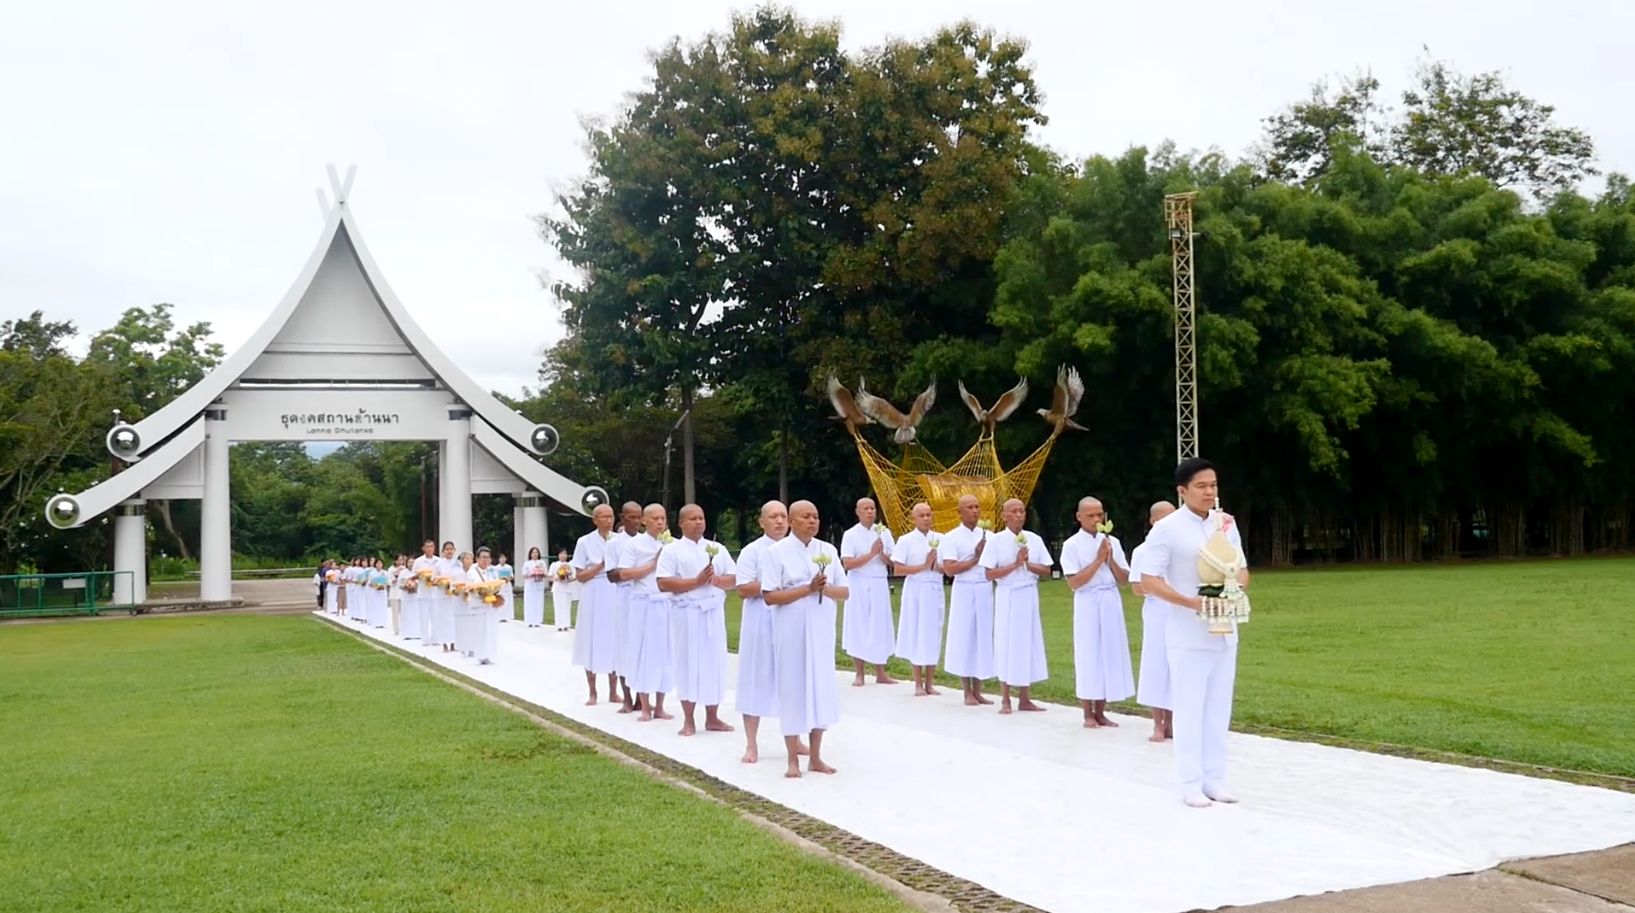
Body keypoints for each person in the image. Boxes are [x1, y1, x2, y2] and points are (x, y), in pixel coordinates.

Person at [1135, 458, 1250, 808]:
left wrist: (1233, 592)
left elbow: (1242, 569)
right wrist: (1189, 602)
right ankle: (1189, 783)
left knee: (1218, 708)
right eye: (1201, 486)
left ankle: (1215, 779)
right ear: (1182, 491)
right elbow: (1148, 580)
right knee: (1188, 708)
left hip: (1224, 629)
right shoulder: (1167, 529)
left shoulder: (1225, 525)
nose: (1209, 492)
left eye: (1213, 485)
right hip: (1187, 633)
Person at [761, 500, 848, 778]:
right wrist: (807, 589)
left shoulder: (828, 550)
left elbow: (844, 592)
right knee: (794, 688)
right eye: (806, 517)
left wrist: (825, 588)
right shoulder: (777, 553)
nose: (812, 521)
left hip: (821, 629)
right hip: (791, 630)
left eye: (816, 516)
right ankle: (792, 759)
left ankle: (815, 756)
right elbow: (770, 596)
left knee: (820, 689)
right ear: (791, 521)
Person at [735, 500, 807, 764]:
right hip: (759, 623)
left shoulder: (799, 549)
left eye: (783, 516)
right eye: (773, 517)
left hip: (790, 621)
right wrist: (774, 588)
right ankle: (752, 744)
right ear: (761, 522)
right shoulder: (752, 551)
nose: (779, 521)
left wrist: (785, 591)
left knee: (793, 679)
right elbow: (742, 588)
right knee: (755, 678)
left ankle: (796, 739)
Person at [657, 504, 737, 737]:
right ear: (681, 523)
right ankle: (689, 719)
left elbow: (734, 579)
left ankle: (712, 717)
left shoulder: (716, 548)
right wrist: (696, 581)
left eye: (701, 518)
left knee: (714, 663)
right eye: (692, 518)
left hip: (712, 613)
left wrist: (716, 581)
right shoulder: (672, 550)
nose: (698, 522)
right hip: (687, 614)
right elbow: (663, 583)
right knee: (688, 662)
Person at [1060, 496, 1134, 729]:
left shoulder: (1113, 542)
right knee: (1088, 653)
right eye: (1090, 515)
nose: (1096, 519)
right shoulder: (1071, 545)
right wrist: (1098, 559)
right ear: (1079, 517)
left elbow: (1124, 579)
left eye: (1099, 514)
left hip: (1110, 599)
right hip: (1087, 601)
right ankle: (1087, 713)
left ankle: (1102, 711)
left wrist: (1110, 559)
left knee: (1108, 653)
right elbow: (1074, 583)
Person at [982, 498, 1053, 713]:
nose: (1019, 515)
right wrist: (1015, 563)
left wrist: (1027, 563)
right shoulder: (995, 541)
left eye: (1022, 511)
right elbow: (989, 573)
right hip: (1007, 594)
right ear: (1004, 516)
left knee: (1027, 643)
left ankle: (1025, 697)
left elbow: (1047, 570)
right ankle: (1005, 699)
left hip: (1028, 594)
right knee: (1006, 642)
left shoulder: (1034, 539)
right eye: (1013, 511)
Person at [617, 504, 673, 722]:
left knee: (664, 654)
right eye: (655, 518)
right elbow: (624, 573)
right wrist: (652, 565)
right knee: (642, 652)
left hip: (664, 603)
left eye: (663, 518)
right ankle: (645, 707)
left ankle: (660, 706)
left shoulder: (671, 544)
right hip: (643, 604)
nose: (660, 522)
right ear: (644, 521)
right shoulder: (634, 545)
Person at [939, 494, 995, 706]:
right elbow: (950, 569)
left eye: (977, 507)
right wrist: (975, 558)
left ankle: (979, 690)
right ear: (959, 512)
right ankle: (966, 691)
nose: (975, 511)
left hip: (984, 587)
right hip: (964, 588)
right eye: (970, 507)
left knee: (982, 636)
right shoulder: (951, 538)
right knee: (964, 637)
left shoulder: (989, 535)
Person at [1131, 500, 1178, 742]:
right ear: (1152, 522)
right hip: (1157, 612)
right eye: (1163, 519)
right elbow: (1138, 588)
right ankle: (1157, 724)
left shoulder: (1181, 549)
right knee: (1156, 665)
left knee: (1176, 665)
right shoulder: (1142, 551)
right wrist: (1163, 590)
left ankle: (1172, 722)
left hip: (1179, 611)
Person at [839, 497, 897, 686]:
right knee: (859, 625)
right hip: (858, 582)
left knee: (879, 625)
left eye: (872, 508)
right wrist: (871, 553)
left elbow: (893, 562)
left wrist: (881, 554)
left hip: (879, 582)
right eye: (866, 508)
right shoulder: (850, 534)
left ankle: (881, 672)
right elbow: (847, 563)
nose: (870, 511)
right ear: (858, 512)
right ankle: (860, 673)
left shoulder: (884, 533)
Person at [890, 502, 945, 697]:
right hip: (915, 590)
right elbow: (898, 569)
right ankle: (918, 684)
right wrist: (923, 566)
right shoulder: (906, 540)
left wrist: (935, 565)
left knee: (933, 632)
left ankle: (930, 682)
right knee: (916, 631)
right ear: (914, 518)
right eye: (922, 515)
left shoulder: (940, 539)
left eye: (929, 514)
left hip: (935, 588)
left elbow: (946, 568)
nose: (926, 518)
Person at [570, 505, 620, 703]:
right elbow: (580, 575)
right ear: (595, 520)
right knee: (591, 639)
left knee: (614, 639)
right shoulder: (584, 542)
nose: (609, 520)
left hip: (614, 590)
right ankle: (592, 691)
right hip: (593, 591)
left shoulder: (619, 540)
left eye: (611, 516)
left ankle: (614, 690)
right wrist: (601, 564)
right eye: (604, 517)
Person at [608, 501, 643, 713]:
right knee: (623, 646)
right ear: (623, 517)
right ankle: (627, 698)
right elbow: (612, 575)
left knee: (641, 646)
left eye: (640, 517)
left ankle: (642, 697)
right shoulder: (614, 544)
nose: (637, 521)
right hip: (624, 596)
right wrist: (630, 573)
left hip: (644, 597)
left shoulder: (648, 542)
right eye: (632, 517)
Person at [469, 548, 499, 664]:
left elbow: (497, 585)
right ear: (477, 558)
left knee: (489, 630)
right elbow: (472, 587)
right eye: (482, 557)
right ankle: (479, 655)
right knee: (479, 630)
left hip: (489, 605)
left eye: (487, 557)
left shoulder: (492, 571)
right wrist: (483, 592)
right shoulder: (472, 572)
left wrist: (495, 592)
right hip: (478, 604)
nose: (485, 560)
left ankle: (487, 654)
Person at [434, 541, 461, 654]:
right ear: (443, 551)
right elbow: (434, 579)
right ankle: (444, 643)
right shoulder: (439, 564)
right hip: (443, 595)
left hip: (454, 596)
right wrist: (441, 582)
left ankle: (454, 643)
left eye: (451, 549)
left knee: (454, 619)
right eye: (447, 549)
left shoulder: (458, 563)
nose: (449, 551)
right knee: (444, 619)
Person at [411, 540, 439, 649]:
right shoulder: (418, 562)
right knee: (423, 617)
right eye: (427, 547)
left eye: (431, 546)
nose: (430, 549)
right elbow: (414, 575)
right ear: (423, 548)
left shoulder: (438, 561)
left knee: (435, 616)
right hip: (423, 592)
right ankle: (424, 638)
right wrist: (421, 576)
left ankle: (435, 638)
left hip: (435, 592)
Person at [547, 549, 576, 630]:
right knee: (558, 606)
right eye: (561, 554)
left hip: (567, 588)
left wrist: (568, 578)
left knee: (567, 606)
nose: (563, 555)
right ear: (558, 555)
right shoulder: (554, 565)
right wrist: (557, 578)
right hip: (558, 588)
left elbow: (574, 576)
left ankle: (566, 624)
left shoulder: (570, 565)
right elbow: (549, 577)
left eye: (565, 554)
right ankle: (559, 625)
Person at [521, 547, 548, 628]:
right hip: (530, 585)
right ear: (530, 554)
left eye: (536, 552)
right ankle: (529, 621)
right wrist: (532, 574)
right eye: (533, 552)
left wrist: (540, 573)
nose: (535, 554)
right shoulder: (527, 563)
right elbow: (524, 574)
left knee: (538, 602)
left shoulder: (542, 563)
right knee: (530, 602)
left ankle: (537, 621)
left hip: (539, 585)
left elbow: (546, 573)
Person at [389, 554, 411, 637]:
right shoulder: (391, 569)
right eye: (398, 560)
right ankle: (396, 629)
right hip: (394, 593)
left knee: (404, 612)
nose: (400, 562)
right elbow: (389, 581)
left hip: (402, 593)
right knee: (395, 613)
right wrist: (395, 578)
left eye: (401, 560)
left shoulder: (405, 569)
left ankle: (404, 628)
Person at [494, 553, 514, 623]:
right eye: (501, 558)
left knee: (508, 600)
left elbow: (511, 576)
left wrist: (507, 579)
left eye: (504, 558)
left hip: (507, 585)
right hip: (500, 585)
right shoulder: (496, 568)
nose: (502, 560)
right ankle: (500, 616)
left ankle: (507, 616)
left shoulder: (509, 567)